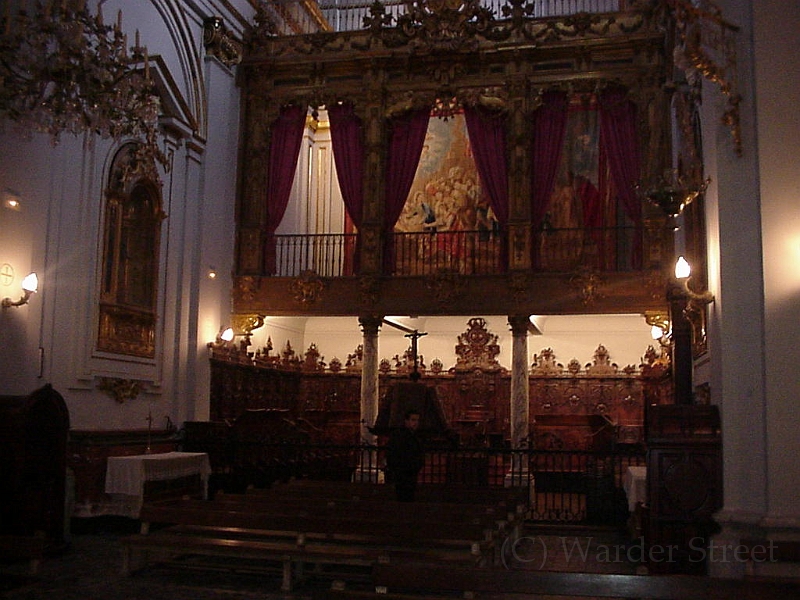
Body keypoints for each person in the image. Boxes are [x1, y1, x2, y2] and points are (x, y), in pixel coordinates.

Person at [386, 409, 424, 502]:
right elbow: (392, 453)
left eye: (417, 420)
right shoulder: (399, 436)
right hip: (402, 473)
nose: (415, 423)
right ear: (406, 421)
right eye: (413, 420)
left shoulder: (415, 437)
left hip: (411, 472)